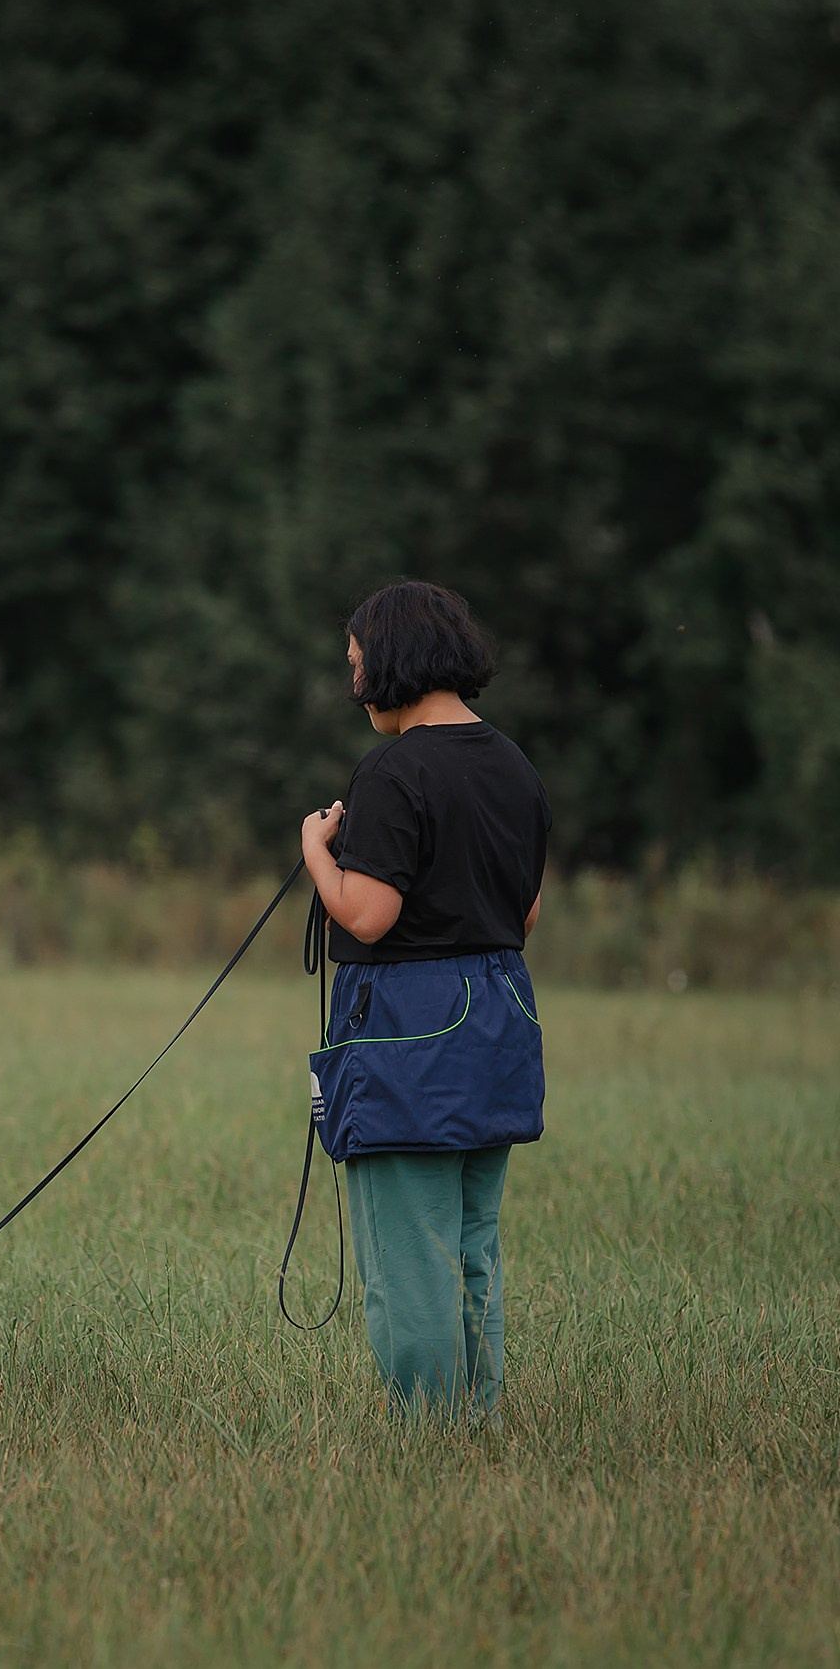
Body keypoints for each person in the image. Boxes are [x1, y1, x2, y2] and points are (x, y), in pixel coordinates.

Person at [300, 580, 549, 1419]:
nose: (355, 682)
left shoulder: (394, 768)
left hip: (410, 1027)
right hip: (501, 1016)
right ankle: (476, 1417)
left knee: (409, 1255)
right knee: (473, 1245)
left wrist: (317, 850)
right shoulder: (514, 765)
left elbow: (369, 914)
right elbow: (524, 913)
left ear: (392, 661)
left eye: (357, 663)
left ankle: (428, 1433)